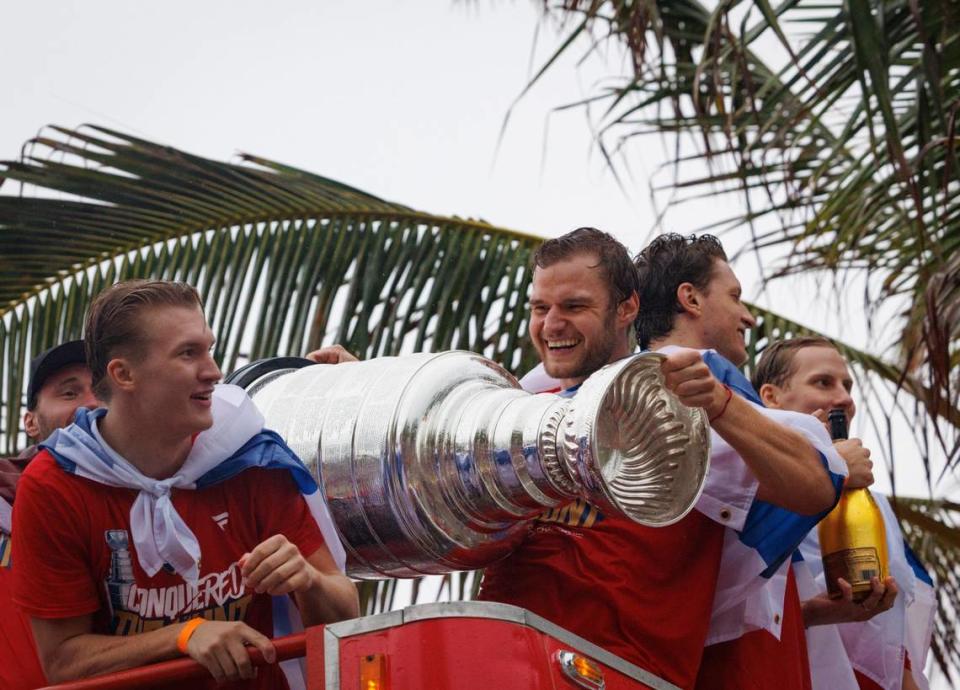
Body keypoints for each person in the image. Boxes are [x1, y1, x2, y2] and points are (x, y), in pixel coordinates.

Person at [478, 228, 840, 689]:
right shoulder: (517, 408)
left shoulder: (670, 396)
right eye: (540, 308)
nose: (551, 324)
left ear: (627, 308)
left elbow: (814, 486)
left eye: (574, 307)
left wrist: (720, 406)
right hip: (499, 658)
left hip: (617, 673)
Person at [12, 280, 359, 687]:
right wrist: (182, 636)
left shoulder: (250, 458)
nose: (213, 372)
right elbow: (63, 661)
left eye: (209, 349)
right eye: (188, 353)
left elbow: (345, 613)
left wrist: (309, 580)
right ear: (124, 374)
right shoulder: (56, 485)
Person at [630, 234, 848, 690]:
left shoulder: (619, 392)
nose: (747, 315)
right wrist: (835, 462)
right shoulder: (703, 375)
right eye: (734, 297)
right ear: (689, 299)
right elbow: (806, 488)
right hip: (724, 659)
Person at [754, 337, 934, 690]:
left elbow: (891, 644)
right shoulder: (753, 480)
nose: (845, 399)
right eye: (823, 382)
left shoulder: (873, 500)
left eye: (847, 385)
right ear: (772, 397)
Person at [0, 341, 98, 689]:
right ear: (31, 421)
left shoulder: (171, 498)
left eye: (103, 389)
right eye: (69, 393)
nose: (90, 403)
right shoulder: (5, 500)